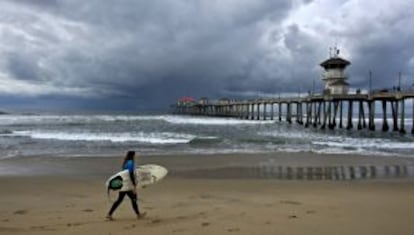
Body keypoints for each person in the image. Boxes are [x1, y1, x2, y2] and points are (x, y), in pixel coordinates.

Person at [106, 151, 146, 220]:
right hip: (127, 185)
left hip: (124, 183)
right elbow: (130, 173)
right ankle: (138, 215)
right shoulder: (130, 162)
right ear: (132, 155)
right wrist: (134, 183)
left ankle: (109, 214)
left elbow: (124, 173)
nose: (135, 156)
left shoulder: (126, 162)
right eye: (134, 155)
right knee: (133, 199)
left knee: (122, 199)